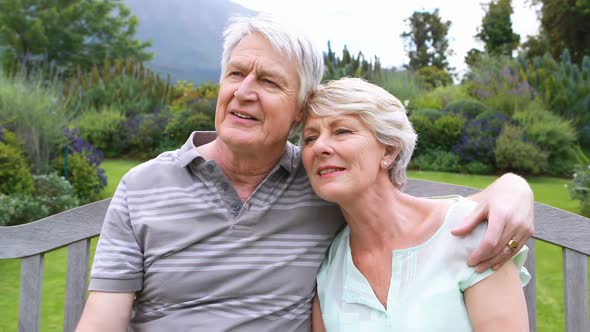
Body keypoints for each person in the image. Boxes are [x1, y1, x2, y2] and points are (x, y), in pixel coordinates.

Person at [76, 15, 534, 332]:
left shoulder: (319, 183)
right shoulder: (142, 188)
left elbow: (408, 217)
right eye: (236, 74)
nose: (245, 92)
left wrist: (514, 187)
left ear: (297, 110)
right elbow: (102, 320)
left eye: (270, 81)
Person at [302, 77, 530, 332]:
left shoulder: (469, 233)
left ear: (389, 151)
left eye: (342, 131)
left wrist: (514, 184)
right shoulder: (329, 266)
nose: (319, 146)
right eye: (310, 138)